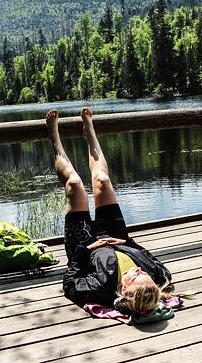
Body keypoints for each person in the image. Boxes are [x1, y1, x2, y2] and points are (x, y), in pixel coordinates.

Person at [46, 107, 173, 315]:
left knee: (75, 184)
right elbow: (154, 263)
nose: (140, 269)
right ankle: (90, 132)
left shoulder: (101, 288)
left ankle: (54, 137)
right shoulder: (158, 276)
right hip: (117, 238)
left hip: (85, 247)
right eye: (144, 274)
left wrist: (85, 251)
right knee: (102, 180)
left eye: (136, 275)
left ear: (123, 290)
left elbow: (70, 284)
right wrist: (127, 242)